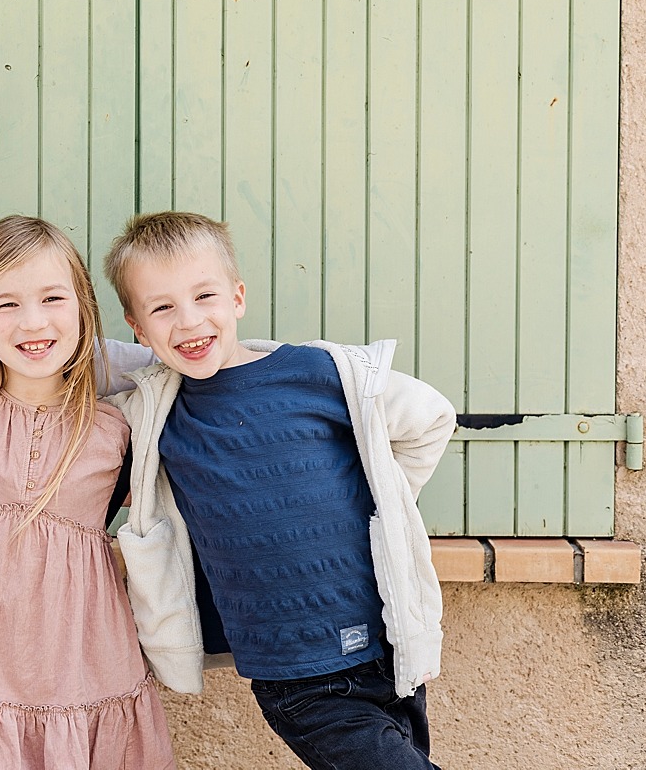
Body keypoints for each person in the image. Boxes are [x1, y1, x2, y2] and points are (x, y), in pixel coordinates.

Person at [103, 211, 457, 770]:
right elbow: (66, 370)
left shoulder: (320, 375)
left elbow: (432, 418)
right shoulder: (157, 414)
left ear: (237, 297)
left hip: (387, 644)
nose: (189, 322)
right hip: (295, 673)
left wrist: (383, 504)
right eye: (162, 308)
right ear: (138, 329)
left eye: (204, 296)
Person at [0, 215, 177, 770]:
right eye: (8, 305)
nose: (33, 321)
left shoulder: (116, 432)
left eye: (51, 299)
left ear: (83, 309)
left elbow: (185, 361)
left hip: (82, 670)